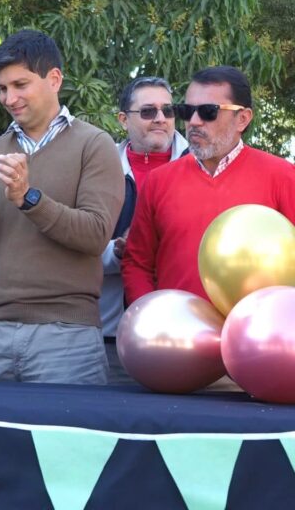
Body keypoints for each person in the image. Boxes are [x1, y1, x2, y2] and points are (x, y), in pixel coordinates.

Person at [0, 29, 124, 384]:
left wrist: (29, 198)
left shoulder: (95, 146)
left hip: (67, 337)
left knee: (66, 441)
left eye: (20, 84)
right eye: (2, 88)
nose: (9, 98)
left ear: (54, 79)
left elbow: (95, 235)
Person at [122, 66, 295, 304]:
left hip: (258, 337)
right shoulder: (159, 181)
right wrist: (152, 320)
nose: (194, 122)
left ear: (242, 118)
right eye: (187, 111)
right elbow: (136, 263)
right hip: (176, 337)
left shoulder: (283, 176)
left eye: (208, 112)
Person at [100, 77, 188, 383]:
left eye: (169, 110)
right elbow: (69, 245)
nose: (161, 119)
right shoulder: (97, 165)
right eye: (148, 111)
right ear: (123, 119)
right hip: (110, 336)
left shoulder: (202, 164)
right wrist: (116, 252)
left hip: (186, 333)